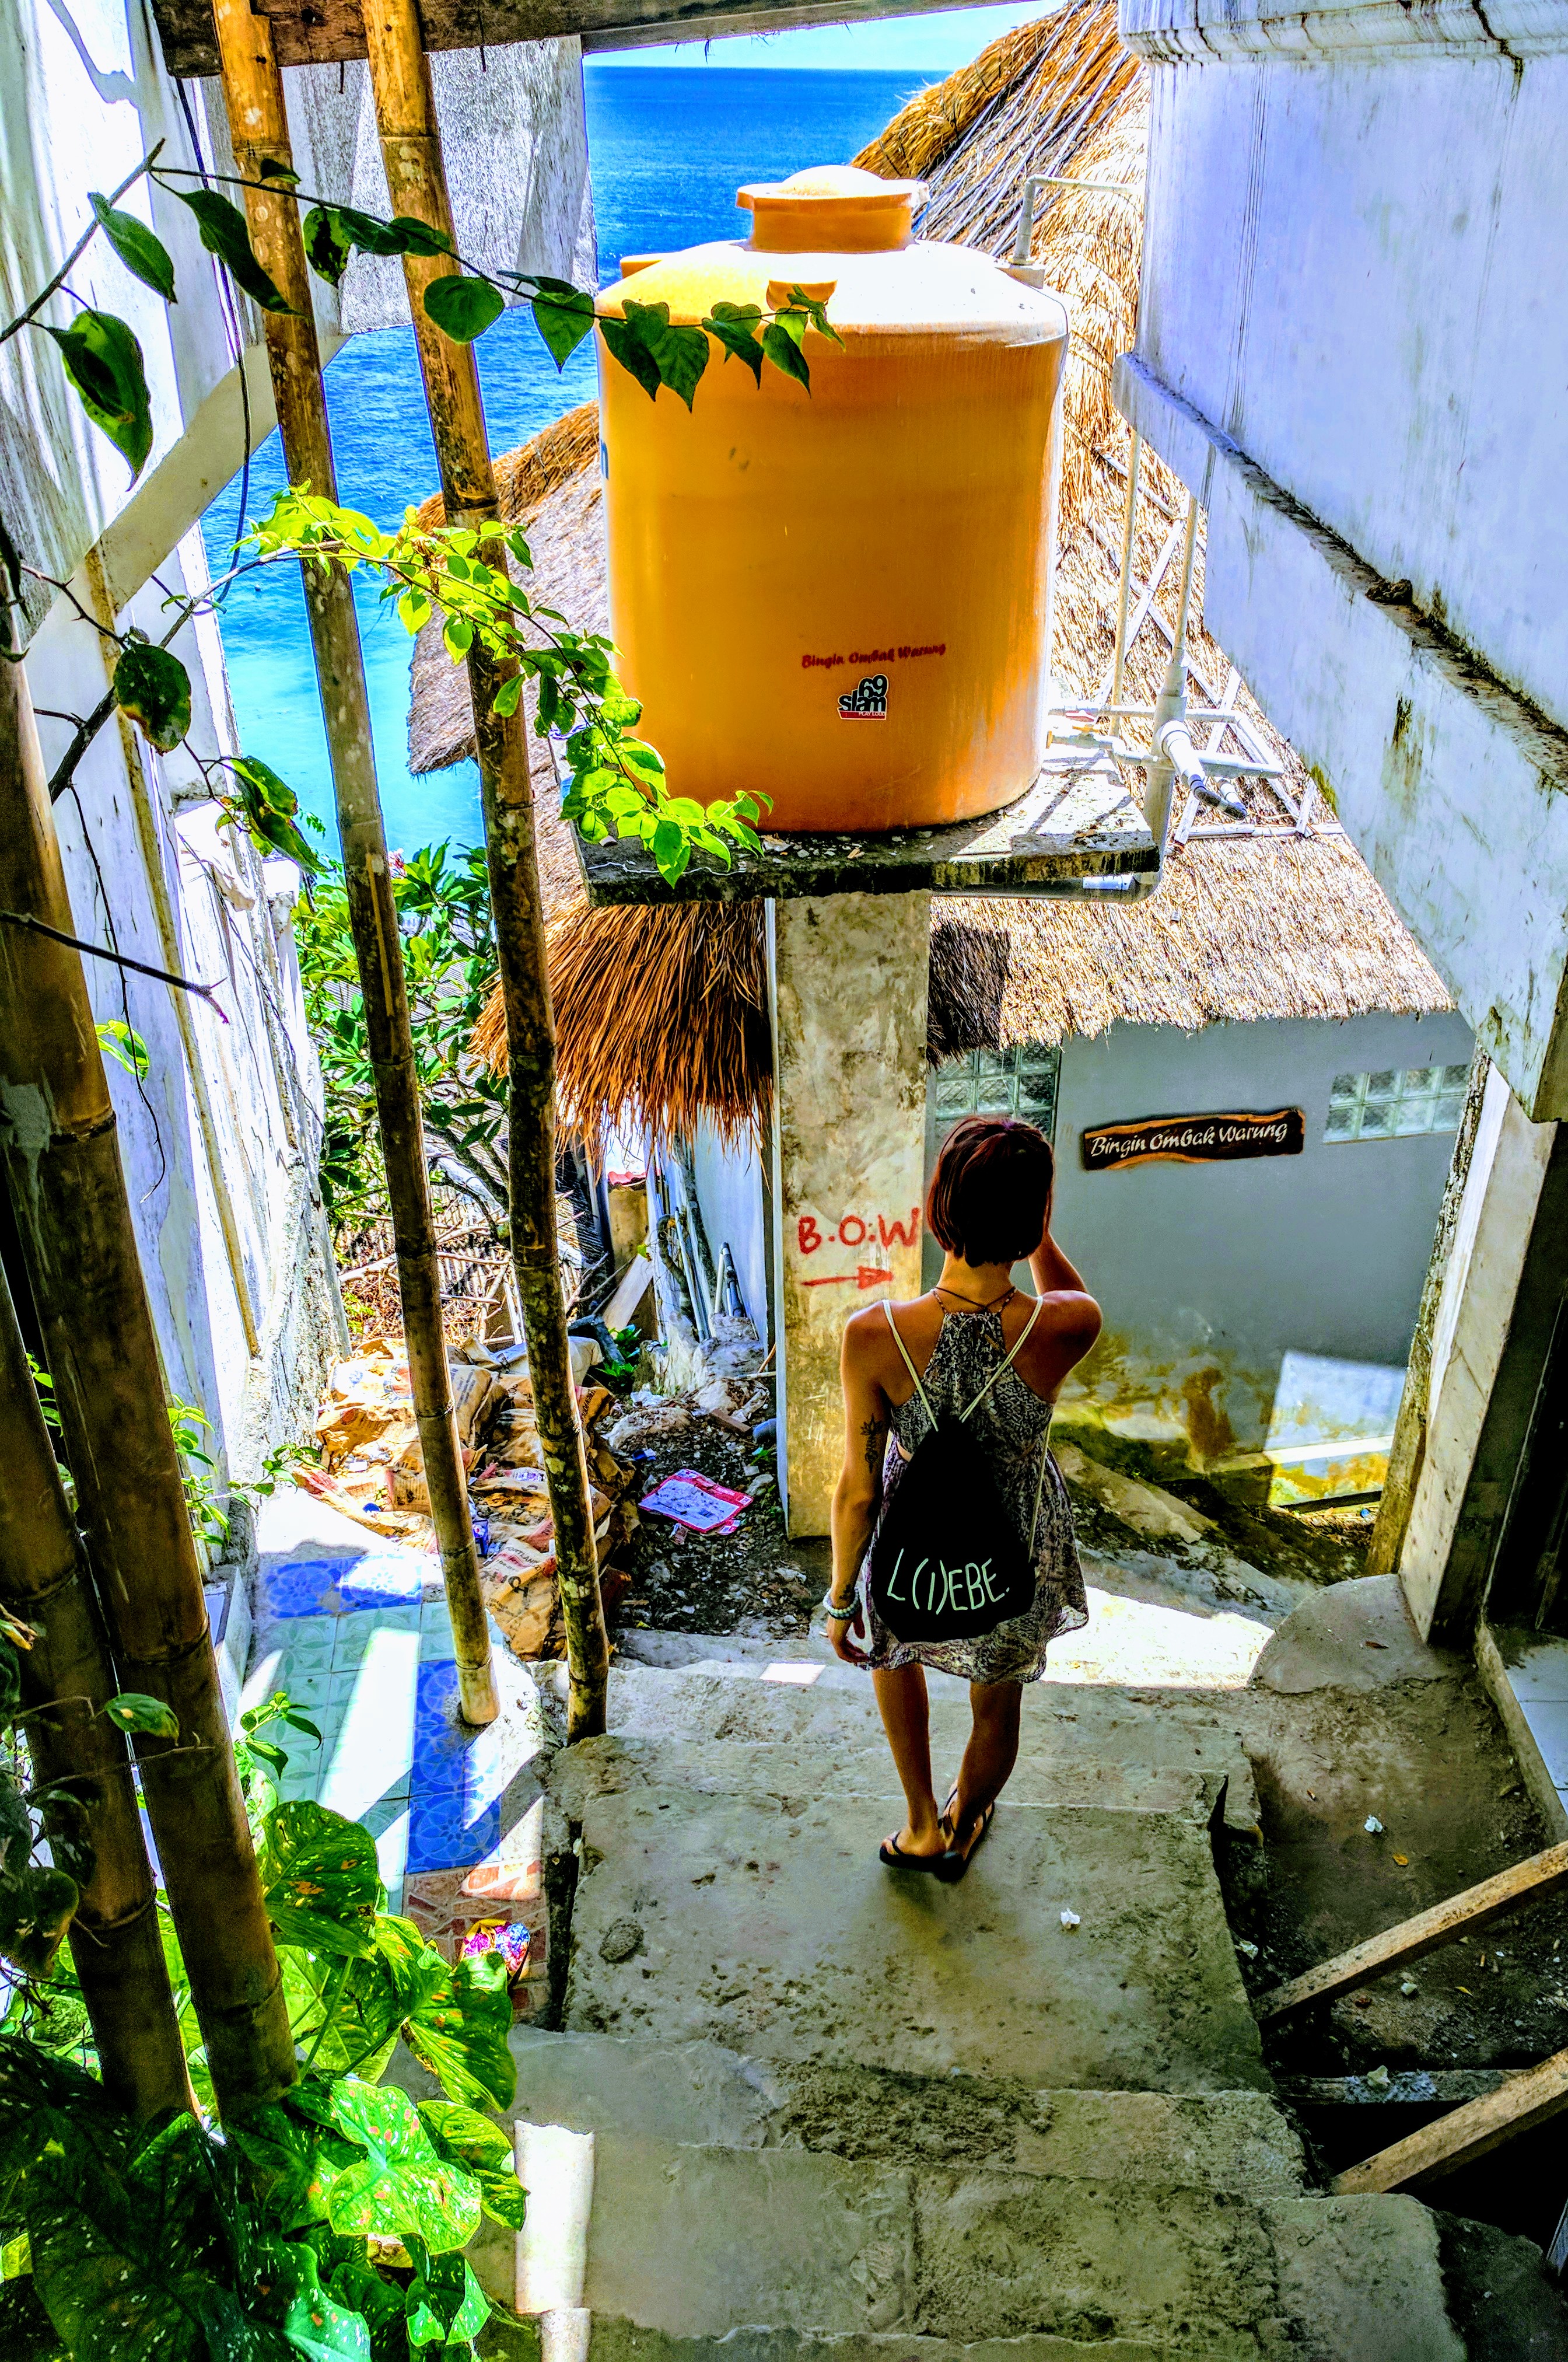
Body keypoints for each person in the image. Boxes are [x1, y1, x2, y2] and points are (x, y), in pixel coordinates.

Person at [824, 1112, 1100, 1878]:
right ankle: (965, 1818)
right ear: (1034, 1217)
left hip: (911, 1542)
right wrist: (1037, 1235)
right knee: (998, 1700)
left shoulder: (874, 1333)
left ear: (937, 1207)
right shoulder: (1065, 1327)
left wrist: (842, 1599)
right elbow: (1067, 1293)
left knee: (894, 1653)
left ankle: (922, 1827)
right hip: (1015, 1547)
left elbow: (857, 1491)